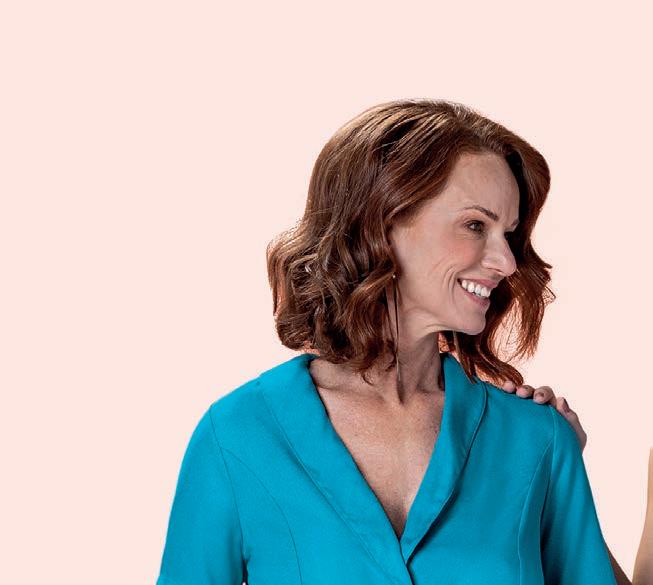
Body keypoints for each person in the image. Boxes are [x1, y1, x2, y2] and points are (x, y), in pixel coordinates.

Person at [155, 99, 631, 584]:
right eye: (475, 225)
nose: (506, 262)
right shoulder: (237, 435)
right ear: (382, 221)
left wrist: (560, 469)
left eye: (507, 234)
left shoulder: (536, 439)